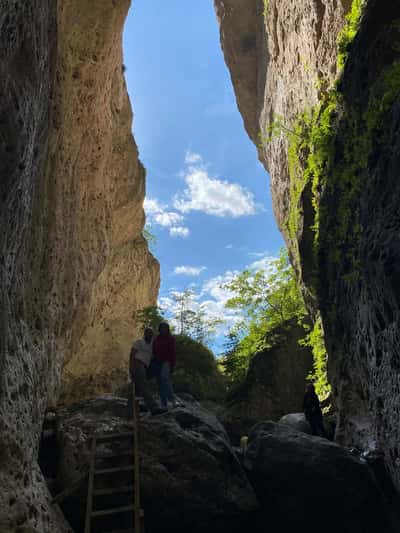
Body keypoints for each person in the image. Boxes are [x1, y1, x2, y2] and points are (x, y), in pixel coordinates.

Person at [128, 327, 165, 417]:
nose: (150, 335)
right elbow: (132, 354)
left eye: (151, 333)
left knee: (137, 388)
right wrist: (131, 367)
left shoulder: (151, 345)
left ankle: (131, 411)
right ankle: (153, 407)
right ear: (144, 334)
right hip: (137, 364)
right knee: (143, 385)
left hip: (145, 366)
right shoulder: (139, 342)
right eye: (148, 333)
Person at [152, 322, 178, 409]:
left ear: (167, 329)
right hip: (157, 362)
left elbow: (173, 352)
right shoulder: (156, 339)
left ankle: (172, 400)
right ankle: (163, 403)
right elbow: (153, 351)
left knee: (164, 378)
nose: (163, 329)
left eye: (165, 328)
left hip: (166, 361)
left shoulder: (170, 339)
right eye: (161, 328)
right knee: (159, 382)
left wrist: (173, 364)